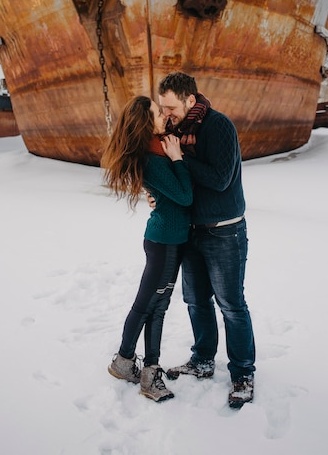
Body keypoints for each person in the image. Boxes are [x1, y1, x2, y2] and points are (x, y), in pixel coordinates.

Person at [157, 71, 256, 409]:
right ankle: (202, 359)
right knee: (196, 301)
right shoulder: (175, 132)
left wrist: (180, 159)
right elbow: (176, 179)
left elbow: (220, 178)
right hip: (191, 230)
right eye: (162, 108)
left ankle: (242, 373)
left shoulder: (218, 126)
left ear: (190, 100)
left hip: (225, 230)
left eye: (171, 107)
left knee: (231, 304)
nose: (167, 114)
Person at [102, 95, 193, 403]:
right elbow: (184, 196)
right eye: (157, 113)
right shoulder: (153, 158)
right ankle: (138, 368)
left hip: (170, 240)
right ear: (145, 121)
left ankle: (131, 364)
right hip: (164, 243)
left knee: (156, 306)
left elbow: (169, 193)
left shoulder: (155, 149)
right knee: (148, 306)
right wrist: (178, 159)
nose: (163, 116)